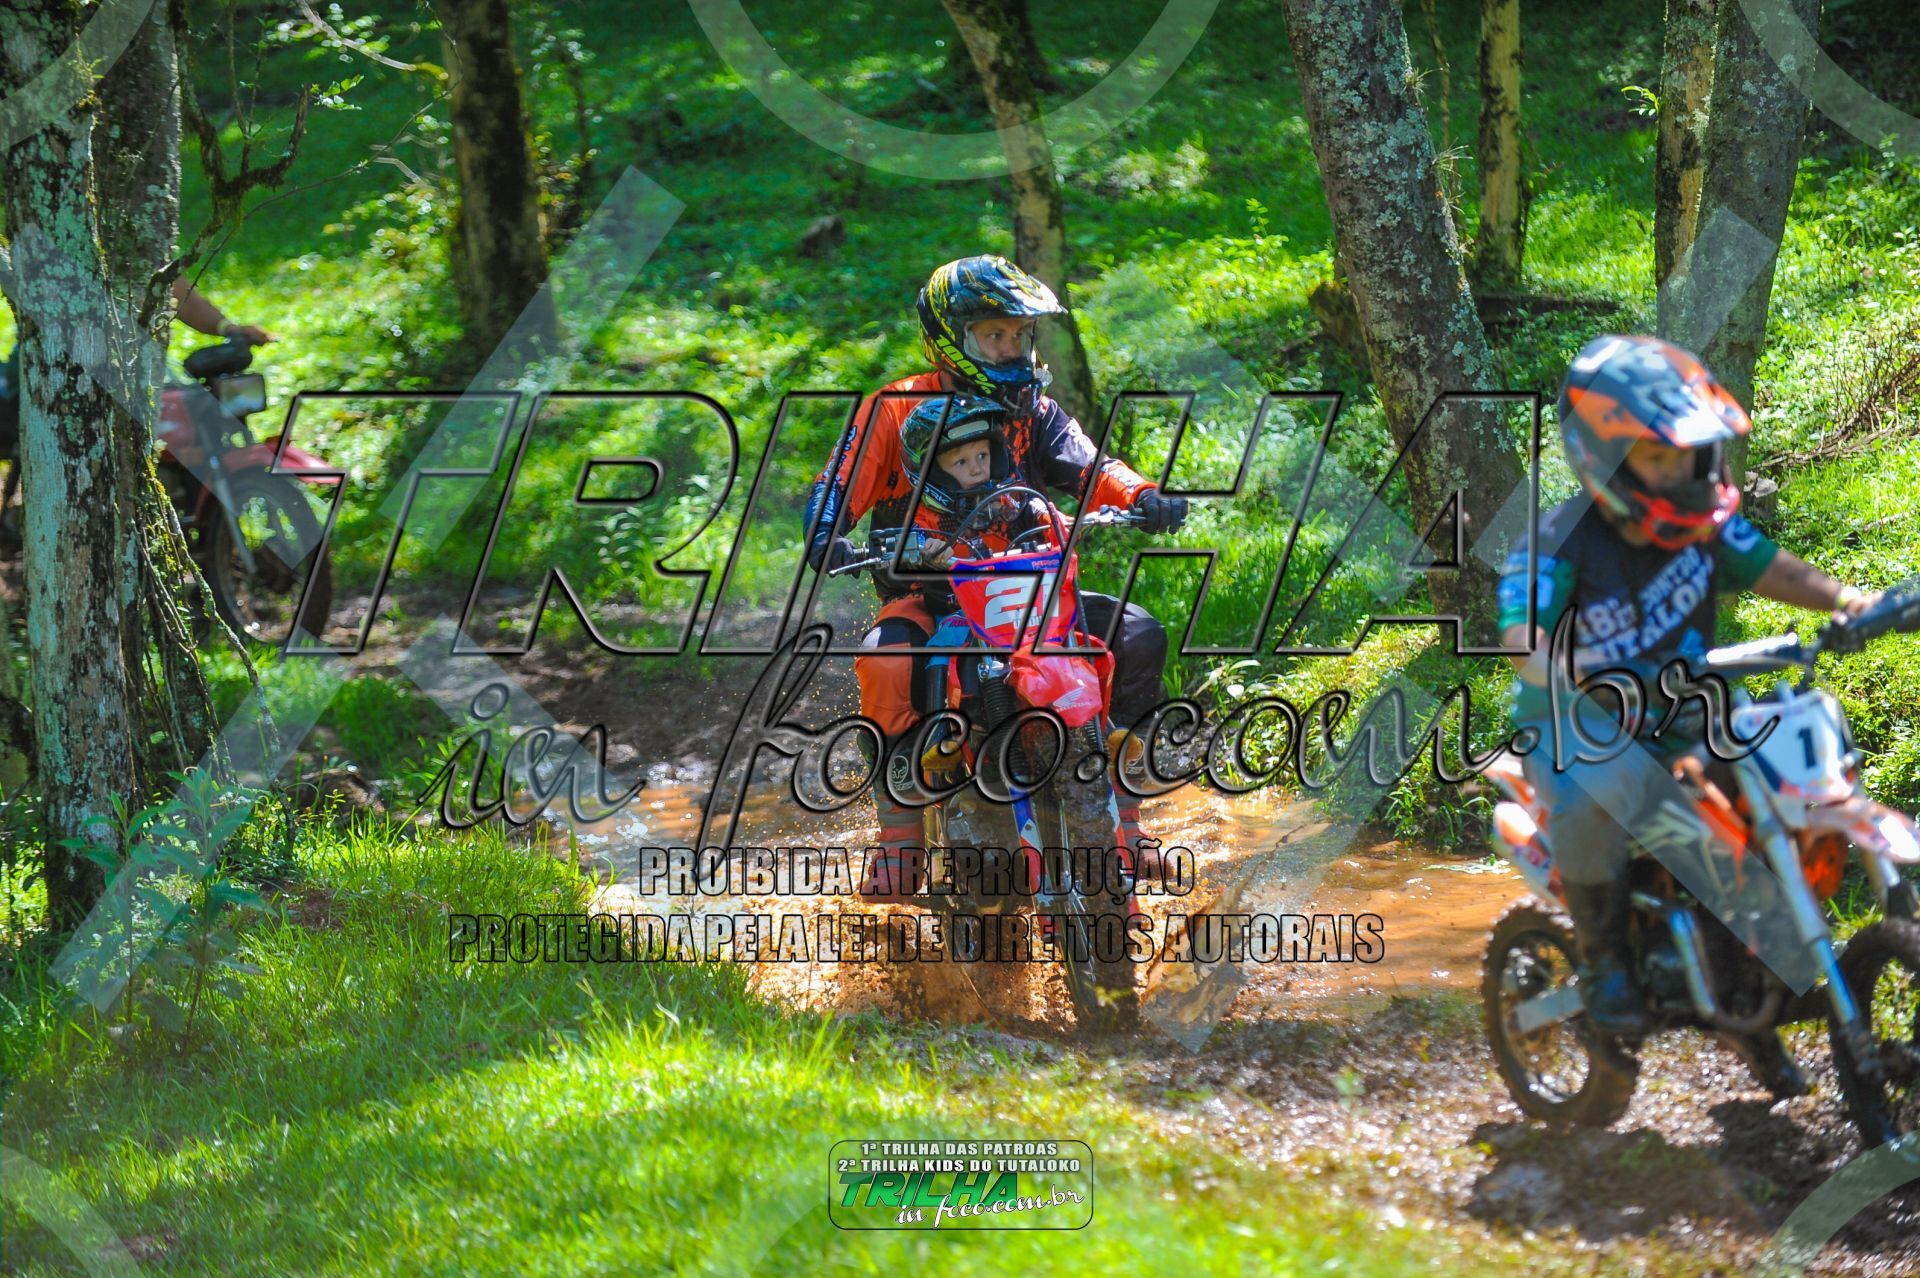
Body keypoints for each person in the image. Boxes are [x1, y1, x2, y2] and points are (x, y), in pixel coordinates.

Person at [1498, 334, 1877, 1077]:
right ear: (1605, 459)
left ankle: (1751, 987)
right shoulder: (1555, 541)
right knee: (1593, 792)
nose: (1680, 471)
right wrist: (1571, 670)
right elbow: (1521, 635)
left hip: (1685, 720)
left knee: (1762, 798)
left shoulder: (1705, 525)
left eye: (1690, 454)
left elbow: (1774, 569)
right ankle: (1605, 960)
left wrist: (1849, 600)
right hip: (1578, 729)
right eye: (1658, 457)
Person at [806, 255, 1188, 904]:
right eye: (994, 334)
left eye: (1018, 333)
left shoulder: (1035, 409)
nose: (1011, 347)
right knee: (886, 662)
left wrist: (1141, 494)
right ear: (951, 337)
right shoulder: (896, 409)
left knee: (1139, 634)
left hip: (1030, 594)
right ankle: (899, 838)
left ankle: (1127, 821)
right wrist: (826, 530)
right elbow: (838, 483)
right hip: (930, 594)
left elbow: (1091, 465)